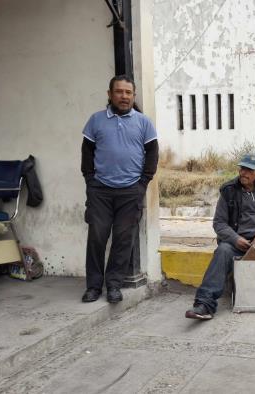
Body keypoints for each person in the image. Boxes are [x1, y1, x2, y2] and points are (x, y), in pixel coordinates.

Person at [185, 153, 255, 320]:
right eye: (242, 168)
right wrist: (235, 238)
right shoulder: (228, 190)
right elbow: (219, 223)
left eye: (249, 170)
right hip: (237, 242)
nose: (243, 173)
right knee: (222, 251)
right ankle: (204, 304)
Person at [80, 75, 158, 304]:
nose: (123, 96)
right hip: (100, 191)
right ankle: (93, 287)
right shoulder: (96, 121)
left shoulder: (144, 122)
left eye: (128, 93)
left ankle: (114, 285)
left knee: (123, 239)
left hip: (130, 191)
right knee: (97, 236)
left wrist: (143, 182)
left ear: (133, 96)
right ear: (110, 94)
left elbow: (152, 154)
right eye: (119, 92)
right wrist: (90, 181)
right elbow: (87, 153)